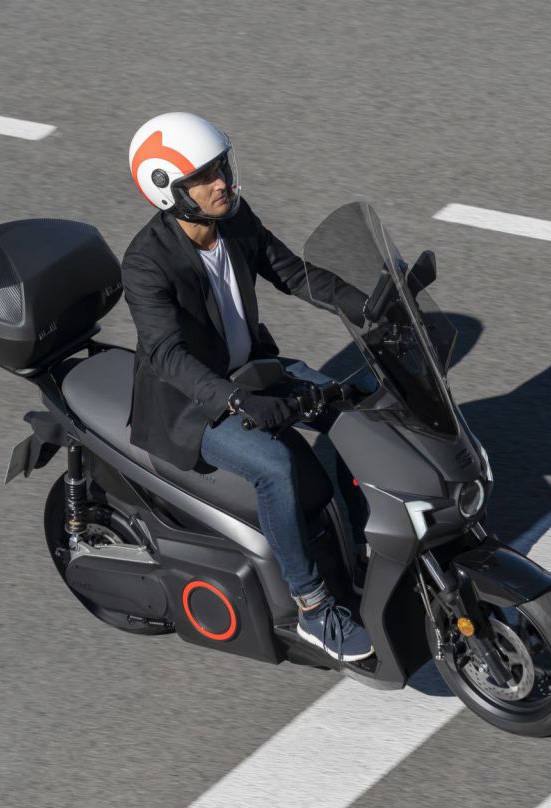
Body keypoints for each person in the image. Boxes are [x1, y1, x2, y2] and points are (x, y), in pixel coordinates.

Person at [120, 112, 373, 662]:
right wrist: (236, 401)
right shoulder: (145, 263)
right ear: (168, 190)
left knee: (353, 409)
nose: (223, 182)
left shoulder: (233, 217)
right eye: (204, 177)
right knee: (275, 467)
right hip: (192, 406)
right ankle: (313, 608)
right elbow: (167, 355)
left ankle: (361, 545)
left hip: (250, 370)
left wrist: (369, 306)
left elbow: (294, 273)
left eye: (222, 168)